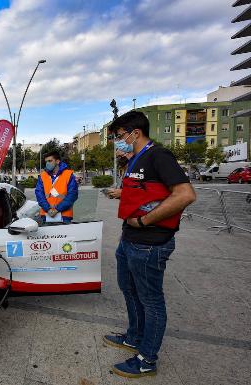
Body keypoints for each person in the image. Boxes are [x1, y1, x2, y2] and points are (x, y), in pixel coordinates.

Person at [104, 111, 196, 378]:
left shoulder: (159, 155)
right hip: (130, 239)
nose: (117, 142)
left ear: (135, 133)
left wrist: (144, 221)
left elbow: (185, 194)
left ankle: (146, 359)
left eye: (119, 136)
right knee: (129, 290)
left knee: (151, 301)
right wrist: (123, 193)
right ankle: (134, 337)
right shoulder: (137, 159)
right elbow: (148, 189)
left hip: (149, 242)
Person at [34, 150, 79, 224]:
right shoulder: (43, 176)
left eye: (50, 161)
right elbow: (39, 194)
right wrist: (48, 209)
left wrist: (57, 209)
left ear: (57, 161)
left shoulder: (68, 175)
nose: (47, 163)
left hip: (64, 216)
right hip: (46, 215)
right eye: (46, 162)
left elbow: (72, 195)